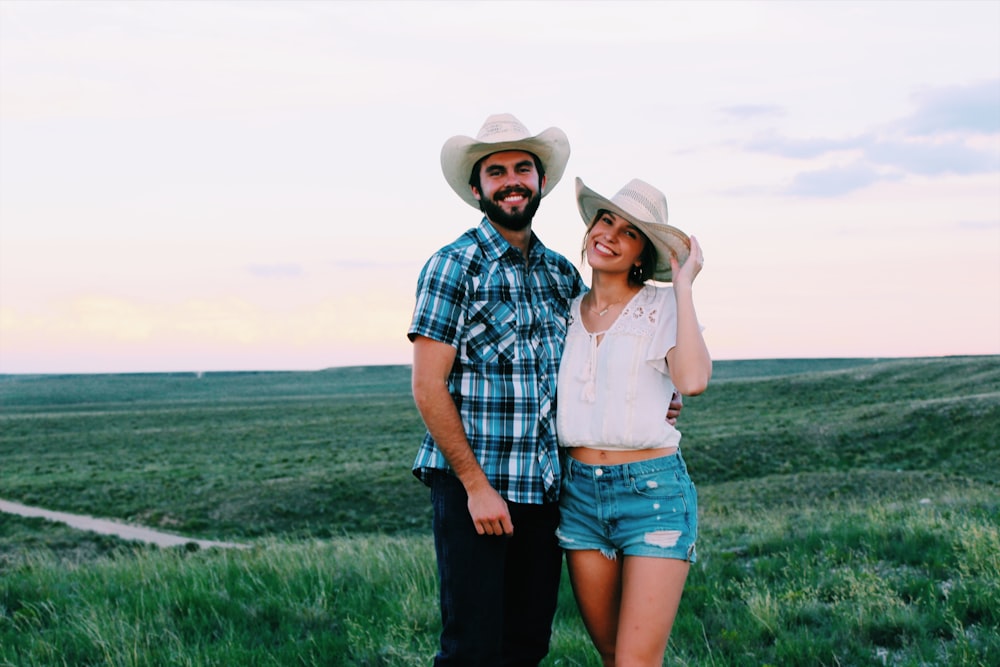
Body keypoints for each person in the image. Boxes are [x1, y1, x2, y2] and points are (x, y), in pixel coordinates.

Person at [408, 114, 682, 666]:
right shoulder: (453, 266)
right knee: (471, 650)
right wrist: (475, 487)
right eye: (497, 171)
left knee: (526, 647)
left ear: (539, 183)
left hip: (544, 493)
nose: (512, 180)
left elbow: (598, 355)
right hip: (477, 492)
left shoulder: (561, 276)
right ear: (476, 188)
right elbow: (427, 385)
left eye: (522, 169)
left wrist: (658, 393)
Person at [555, 177, 711, 667]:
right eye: (606, 221)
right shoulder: (563, 312)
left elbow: (691, 380)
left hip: (652, 496)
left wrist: (682, 287)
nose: (610, 235)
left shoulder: (661, 306)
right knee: (610, 654)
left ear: (642, 254)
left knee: (635, 663)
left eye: (629, 232)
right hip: (578, 495)